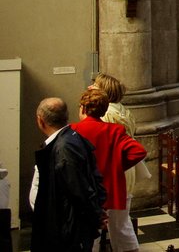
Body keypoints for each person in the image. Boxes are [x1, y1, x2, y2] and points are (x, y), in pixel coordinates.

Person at [73, 89, 146, 252]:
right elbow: (139, 151)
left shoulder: (75, 130)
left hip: (88, 189)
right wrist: (117, 166)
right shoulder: (114, 130)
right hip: (112, 188)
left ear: (83, 108)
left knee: (91, 233)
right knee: (121, 229)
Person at [29, 97, 106, 252]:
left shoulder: (64, 147)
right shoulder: (70, 139)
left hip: (67, 228)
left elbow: (79, 189)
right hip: (65, 223)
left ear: (40, 120)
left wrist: (96, 215)